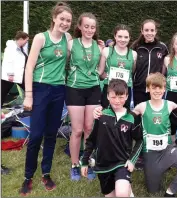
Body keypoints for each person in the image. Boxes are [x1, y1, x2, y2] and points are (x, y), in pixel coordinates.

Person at [93, 73, 177, 196]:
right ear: (148, 89)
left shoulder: (169, 105)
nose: (157, 91)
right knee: (153, 190)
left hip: (168, 149)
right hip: (150, 152)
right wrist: (101, 110)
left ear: (164, 89)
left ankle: (170, 192)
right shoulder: (142, 106)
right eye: (153, 87)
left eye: (160, 88)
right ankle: (154, 172)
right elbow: (121, 114)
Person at [19, 2, 73, 196]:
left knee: (51, 134)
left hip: (59, 90)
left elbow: (78, 53)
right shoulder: (41, 38)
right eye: (62, 19)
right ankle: (28, 176)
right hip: (41, 90)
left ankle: (46, 173)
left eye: (68, 20)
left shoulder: (68, 38)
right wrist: (29, 95)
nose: (65, 23)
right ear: (54, 18)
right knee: (35, 136)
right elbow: (29, 67)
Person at [81, 79, 142, 197]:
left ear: (127, 96)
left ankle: (127, 190)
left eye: (121, 97)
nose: (117, 101)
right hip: (103, 165)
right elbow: (91, 140)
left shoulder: (132, 118)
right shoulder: (101, 115)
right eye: (113, 97)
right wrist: (84, 162)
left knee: (122, 194)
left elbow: (140, 140)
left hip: (122, 162)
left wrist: (132, 160)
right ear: (108, 96)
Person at [65, 12, 102, 181]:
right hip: (75, 89)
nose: (89, 29)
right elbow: (63, 64)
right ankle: (74, 164)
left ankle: (86, 162)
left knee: (89, 129)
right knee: (77, 130)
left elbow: (101, 72)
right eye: (86, 26)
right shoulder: (71, 44)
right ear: (79, 26)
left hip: (93, 89)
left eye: (92, 27)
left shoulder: (99, 46)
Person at [131, 19, 168, 106]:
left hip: (156, 88)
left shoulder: (162, 47)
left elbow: (169, 62)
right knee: (139, 115)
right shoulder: (136, 46)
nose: (149, 33)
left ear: (156, 31)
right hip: (139, 87)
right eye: (146, 30)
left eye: (152, 30)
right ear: (142, 31)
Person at [99, 24, 137, 109]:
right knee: (106, 117)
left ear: (129, 38)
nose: (122, 40)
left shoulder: (134, 54)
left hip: (125, 91)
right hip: (109, 89)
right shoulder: (106, 51)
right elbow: (100, 73)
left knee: (123, 119)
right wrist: (108, 76)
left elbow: (132, 72)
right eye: (119, 36)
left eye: (126, 37)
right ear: (115, 36)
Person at [1, 31, 29, 107]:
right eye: (26, 40)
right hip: (10, 77)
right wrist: (10, 74)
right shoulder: (11, 48)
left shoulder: (20, 49)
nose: (26, 42)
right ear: (20, 39)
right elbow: (8, 61)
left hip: (19, 76)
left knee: (29, 90)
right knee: (2, 93)